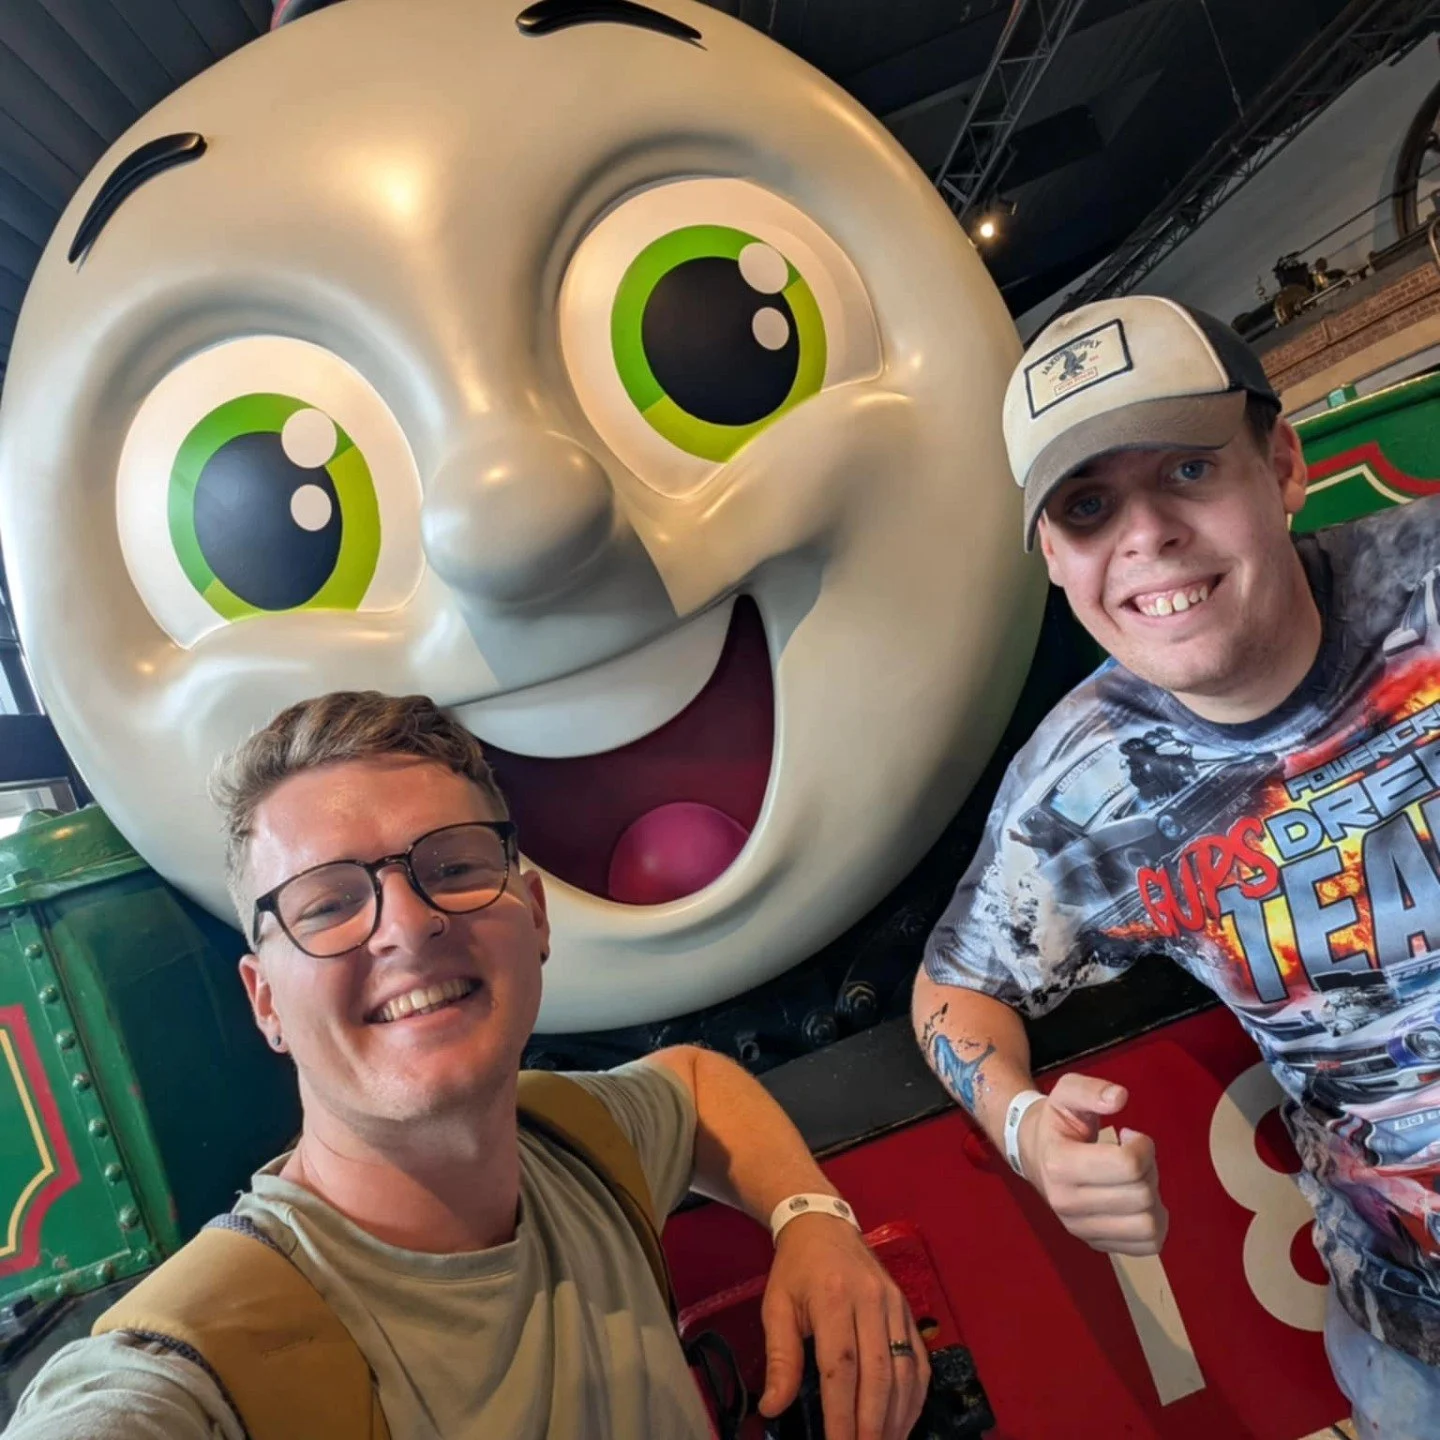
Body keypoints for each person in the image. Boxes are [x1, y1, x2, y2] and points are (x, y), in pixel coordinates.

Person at [11, 690, 929, 1440]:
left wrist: (813, 1222)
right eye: (327, 904)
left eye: (453, 867)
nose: (408, 926)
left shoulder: (575, 1145)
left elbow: (694, 1080)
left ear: (535, 918)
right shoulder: (195, 1369)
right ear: (265, 1002)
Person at [912, 295, 1440, 1436]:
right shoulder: (1079, 791)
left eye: (1189, 469)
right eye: (1088, 507)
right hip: (1420, 1351)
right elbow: (956, 991)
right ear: (1054, 559)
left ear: (1283, 464)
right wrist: (1027, 1131)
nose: (1145, 535)